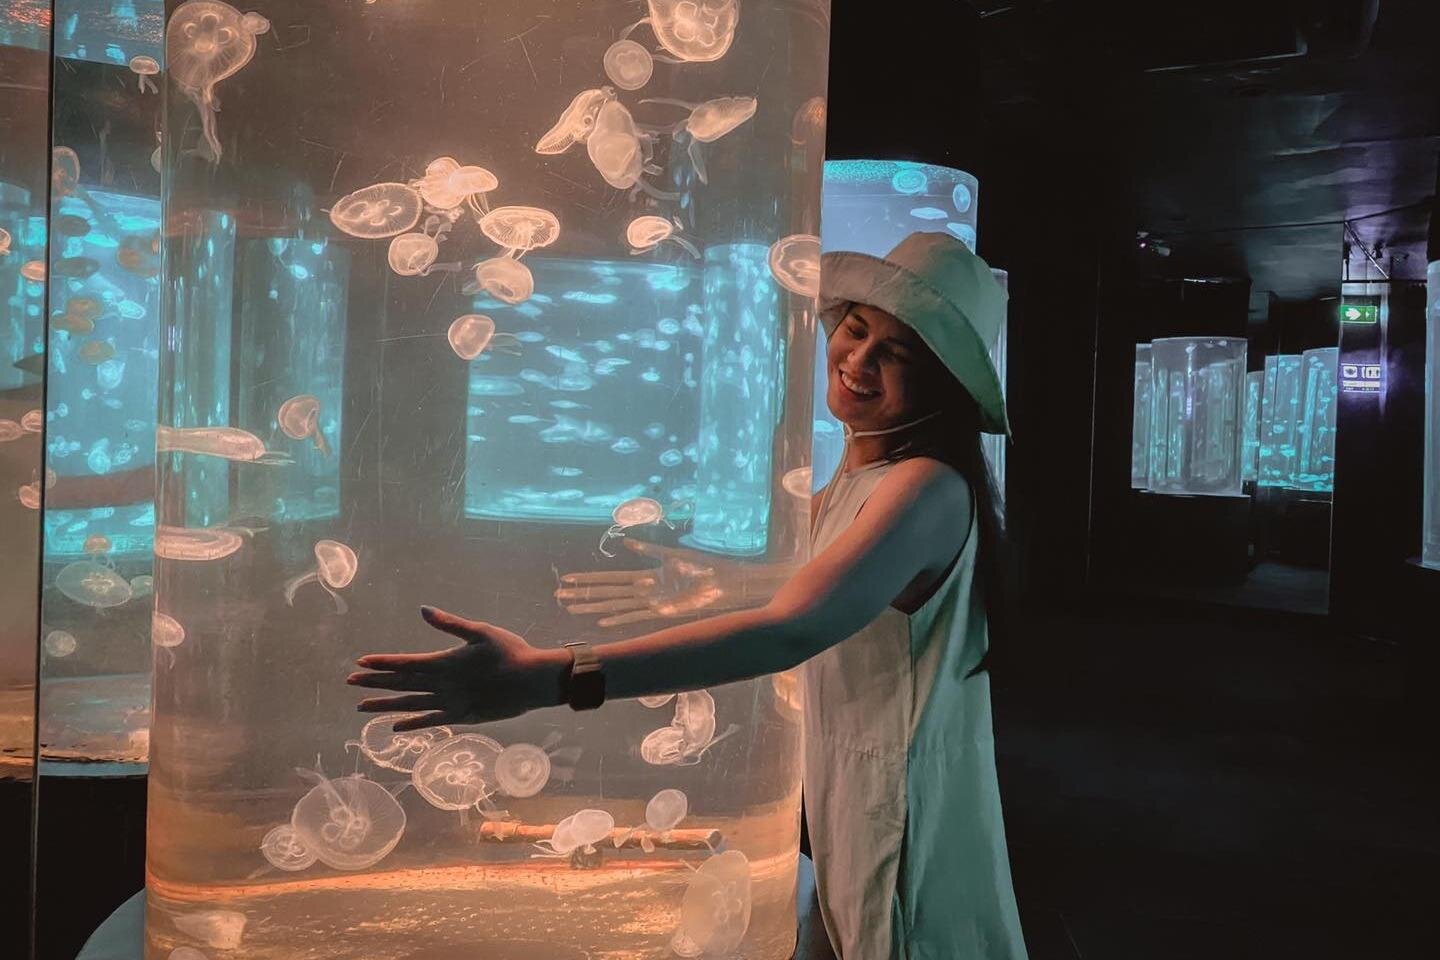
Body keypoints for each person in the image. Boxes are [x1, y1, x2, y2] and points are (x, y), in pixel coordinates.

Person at [348, 232, 1029, 959]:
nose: (859, 360)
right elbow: (837, 581)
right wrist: (723, 585)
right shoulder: (865, 479)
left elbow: (793, 629)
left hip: (902, 799)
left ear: (946, 384)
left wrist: (553, 676)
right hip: (859, 785)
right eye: (857, 329)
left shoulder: (924, 486)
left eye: (899, 354)